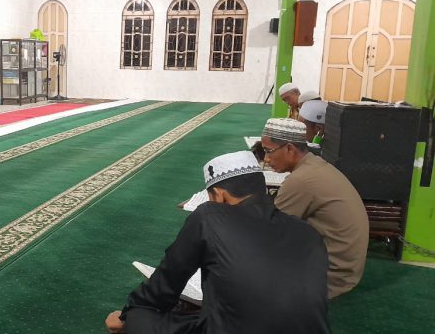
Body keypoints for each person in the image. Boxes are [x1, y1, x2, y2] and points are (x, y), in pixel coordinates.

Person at [106, 151, 329, 334]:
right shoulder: (308, 233)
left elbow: (164, 287)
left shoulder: (210, 216)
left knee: (139, 317)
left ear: (220, 196)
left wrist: (128, 315)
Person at [261, 118, 369, 299]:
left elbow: (270, 234)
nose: (266, 159)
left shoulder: (301, 180)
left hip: (331, 277)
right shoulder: (316, 165)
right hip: (346, 269)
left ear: (289, 148)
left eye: (268, 151)